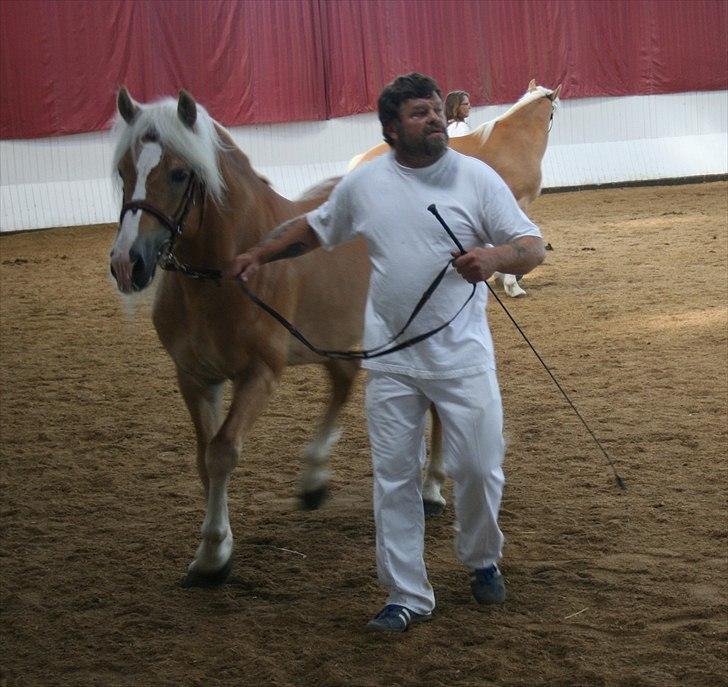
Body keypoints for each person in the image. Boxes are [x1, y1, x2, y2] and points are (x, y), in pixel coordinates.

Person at [225, 73, 545, 633]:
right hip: (391, 360)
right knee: (394, 478)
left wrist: (494, 258)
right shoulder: (366, 184)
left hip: (462, 357)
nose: (436, 119)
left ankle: (480, 556)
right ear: (392, 129)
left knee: (478, 468)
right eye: (420, 113)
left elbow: (532, 246)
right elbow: (315, 229)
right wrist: (261, 252)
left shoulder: (478, 179)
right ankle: (405, 594)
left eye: (436, 111)